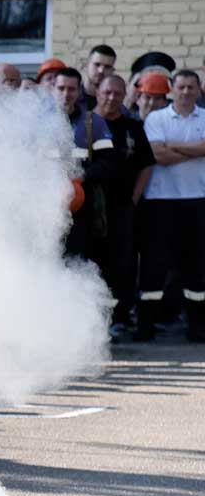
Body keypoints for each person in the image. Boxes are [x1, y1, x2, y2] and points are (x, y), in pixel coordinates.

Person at [136, 70, 205, 342]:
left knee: (197, 267)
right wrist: (196, 149)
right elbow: (157, 155)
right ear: (171, 90)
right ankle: (145, 327)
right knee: (155, 265)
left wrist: (173, 145)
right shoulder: (156, 118)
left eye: (191, 87)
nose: (186, 92)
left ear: (198, 91)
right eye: (181, 87)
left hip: (197, 199)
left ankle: (198, 328)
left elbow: (170, 150)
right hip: (160, 201)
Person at [93, 73, 154, 336]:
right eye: (107, 92)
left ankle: (119, 318)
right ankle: (92, 319)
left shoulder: (132, 127)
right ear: (98, 93)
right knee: (93, 260)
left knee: (122, 263)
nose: (112, 98)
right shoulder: (85, 123)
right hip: (89, 207)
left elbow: (146, 164)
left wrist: (134, 197)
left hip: (122, 206)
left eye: (118, 94)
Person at [54, 67, 115, 262]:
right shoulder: (38, 121)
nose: (66, 94)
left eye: (71, 89)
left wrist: (82, 176)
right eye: (61, 88)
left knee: (77, 259)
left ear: (79, 91)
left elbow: (108, 163)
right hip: (44, 204)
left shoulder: (93, 123)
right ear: (52, 89)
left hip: (82, 206)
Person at [81, 44, 117, 111]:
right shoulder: (70, 97)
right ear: (86, 65)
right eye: (97, 64)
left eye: (107, 67)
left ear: (112, 71)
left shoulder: (115, 103)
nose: (101, 71)